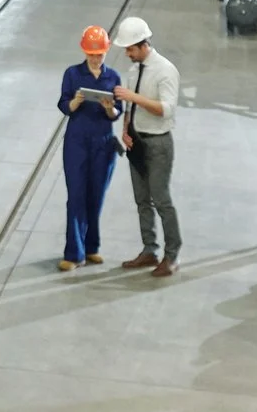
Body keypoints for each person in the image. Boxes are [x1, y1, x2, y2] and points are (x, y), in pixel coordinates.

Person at [111, 15, 182, 278]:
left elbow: (166, 109)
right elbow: (129, 108)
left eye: (130, 49)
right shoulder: (133, 70)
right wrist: (126, 129)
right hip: (137, 142)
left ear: (143, 45)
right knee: (142, 200)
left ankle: (172, 255)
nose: (127, 54)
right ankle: (149, 250)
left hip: (159, 144)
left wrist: (134, 97)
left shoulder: (165, 70)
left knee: (161, 200)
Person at [57, 24, 123, 271]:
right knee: (76, 196)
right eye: (91, 54)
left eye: (100, 54)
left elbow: (117, 113)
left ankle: (91, 247)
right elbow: (64, 106)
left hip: (103, 143)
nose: (96, 58)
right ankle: (73, 254)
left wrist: (108, 108)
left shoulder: (113, 77)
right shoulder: (72, 74)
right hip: (77, 142)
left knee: (96, 196)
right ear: (84, 52)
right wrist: (76, 100)